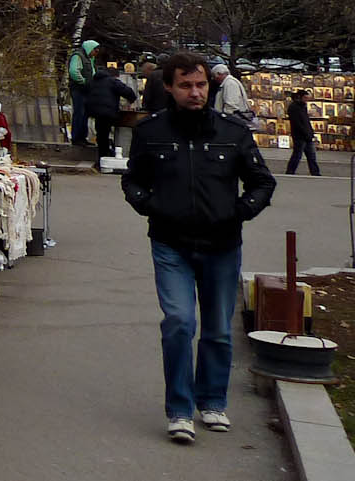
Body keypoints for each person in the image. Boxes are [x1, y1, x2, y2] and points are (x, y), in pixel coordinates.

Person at [121, 50, 276, 445]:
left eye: (202, 84)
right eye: (186, 85)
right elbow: (133, 182)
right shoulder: (150, 132)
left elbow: (262, 182)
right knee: (178, 322)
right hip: (171, 244)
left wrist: (238, 212)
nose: (195, 92)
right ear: (169, 87)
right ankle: (179, 409)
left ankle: (212, 401)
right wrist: (152, 207)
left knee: (218, 331)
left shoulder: (232, 132)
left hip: (222, 245)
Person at [88, 67, 140, 164]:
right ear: (115, 75)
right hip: (108, 112)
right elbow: (128, 92)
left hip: (96, 112)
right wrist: (132, 100)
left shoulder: (93, 81)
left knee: (101, 135)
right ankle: (107, 156)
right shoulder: (112, 81)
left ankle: (102, 157)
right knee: (107, 133)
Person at [67, 38, 99, 146]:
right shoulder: (78, 56)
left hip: (86, 89)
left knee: (85, 114)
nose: (96, 54)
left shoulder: (89, 58)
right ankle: (76, 137)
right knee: (79, 113)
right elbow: (74, 71)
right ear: (91, 48)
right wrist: (84, 81)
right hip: (79, 89)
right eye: (95, 51)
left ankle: (82, 137)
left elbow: (92, 72)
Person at [286, 90, 320, 176]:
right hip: (299, 136)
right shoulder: (294, 107)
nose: (306, 100)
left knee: (311, 155)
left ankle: (315, 172)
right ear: (299, 97)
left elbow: (306, 121)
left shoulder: (302, 106)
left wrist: (311, 132)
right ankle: (290, 171)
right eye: (305, 98)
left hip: (307, 135)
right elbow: (297, 123)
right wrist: (306, 133)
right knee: (297, 154)